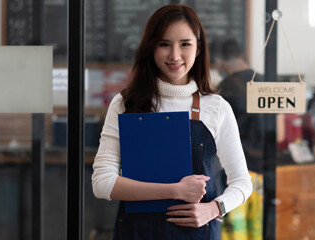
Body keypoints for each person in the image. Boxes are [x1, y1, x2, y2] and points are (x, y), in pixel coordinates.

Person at [91, 5, 252, 240]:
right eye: (164, 44)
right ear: (151, 48)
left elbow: (242, 183)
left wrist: (214, 208)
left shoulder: (216, 107)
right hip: (135, 233)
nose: (175, 56)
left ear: (198, 48)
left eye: (185, 44)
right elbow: (102, 184)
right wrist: (176, 190)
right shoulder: (126, 103)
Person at [211, 37, 264, 240]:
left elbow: (217, 134)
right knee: (257, 231)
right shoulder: (265, 81)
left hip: (234, 173)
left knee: (235, 233)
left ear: (218, 60)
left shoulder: (227, 87)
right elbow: (281, 132)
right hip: (263, 170)